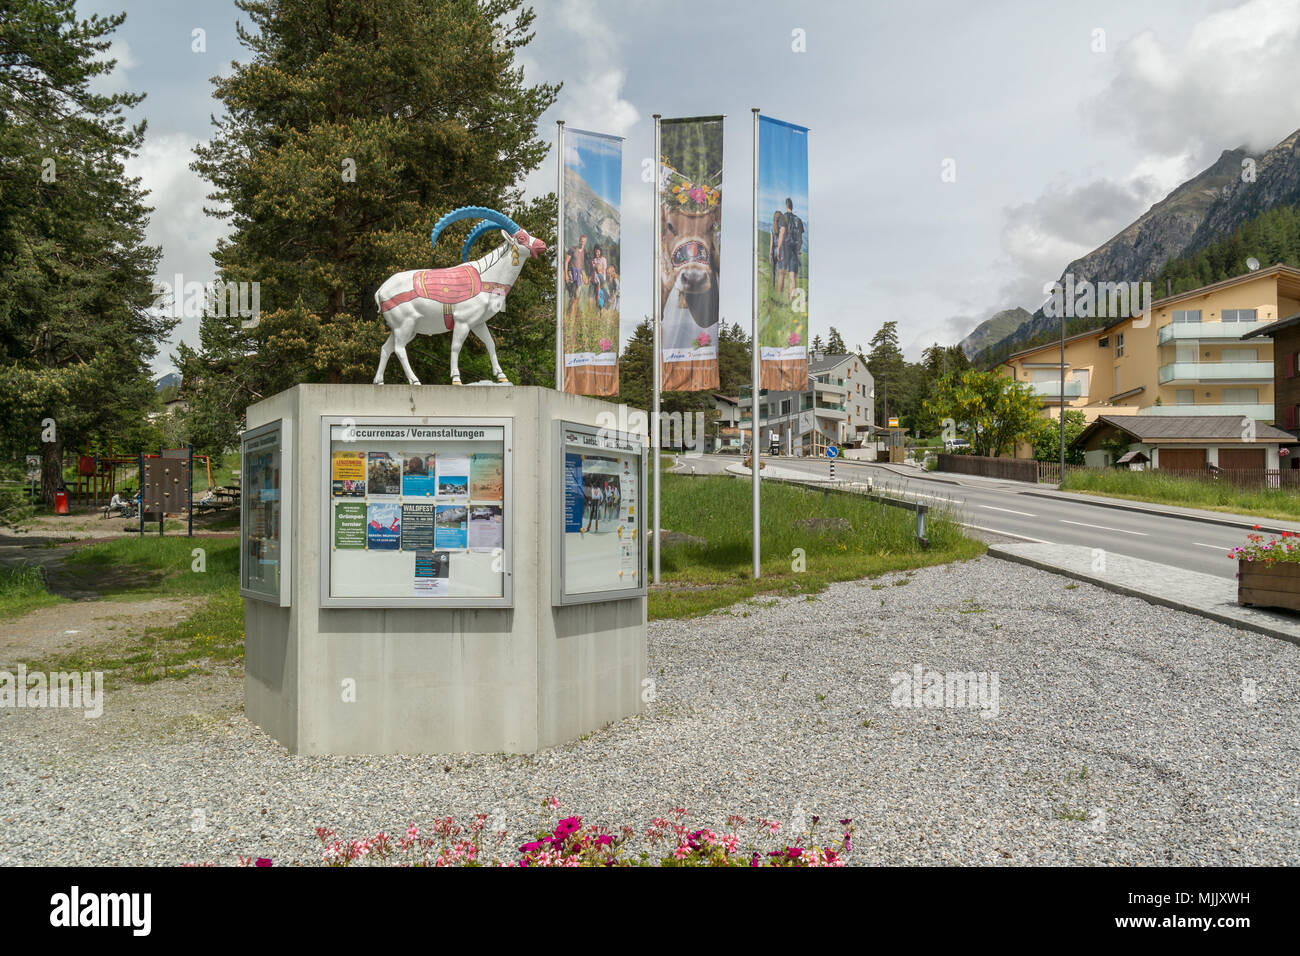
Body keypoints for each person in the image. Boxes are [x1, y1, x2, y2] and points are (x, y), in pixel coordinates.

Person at [779, 197, 804, 302]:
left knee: (781, 274)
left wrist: (778, 248)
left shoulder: (783, 217)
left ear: (786, 205)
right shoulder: (798, 220)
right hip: (794, 249)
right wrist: (798, 250)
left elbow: (782, 233)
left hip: (785, 248)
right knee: (792, 276)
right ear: (792, 206)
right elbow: (801, 238)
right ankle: (791, 299)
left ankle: (779, 297)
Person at [564, 235, 588, 319]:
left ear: (586, 242)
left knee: (577, 295)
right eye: (581, 241)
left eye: (584, 241)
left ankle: (570, 311)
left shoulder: (584, 252)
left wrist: (585, 277)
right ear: (579, 241)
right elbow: (566, 261)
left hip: (579, 274)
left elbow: (583, 265)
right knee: (572, 294)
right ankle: (570, 314)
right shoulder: (572, 249)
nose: (582, 242)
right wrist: (566, 274)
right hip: (571, 273)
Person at [591, 246, 608, 311]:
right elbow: (594, 268)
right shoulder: (593, 260)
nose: (596, 253)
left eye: (598, 252)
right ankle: (597, 310)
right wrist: (597, 266)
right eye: (595, 252)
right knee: (596, 295)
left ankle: (600, 310)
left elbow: (604, 268)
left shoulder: (603, 259)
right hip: (595, 279)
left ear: (600, 252)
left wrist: (598, 266)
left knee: (600, 294)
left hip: (601, 279)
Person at [769, 210, 782, 288]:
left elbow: (771, 242)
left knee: (773, 272)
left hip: (773, 251)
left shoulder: (771, 228)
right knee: (779, 273)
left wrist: (770, 254)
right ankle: (778, 290)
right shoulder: (781, 229)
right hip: (779, 251)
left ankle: (773, 287)